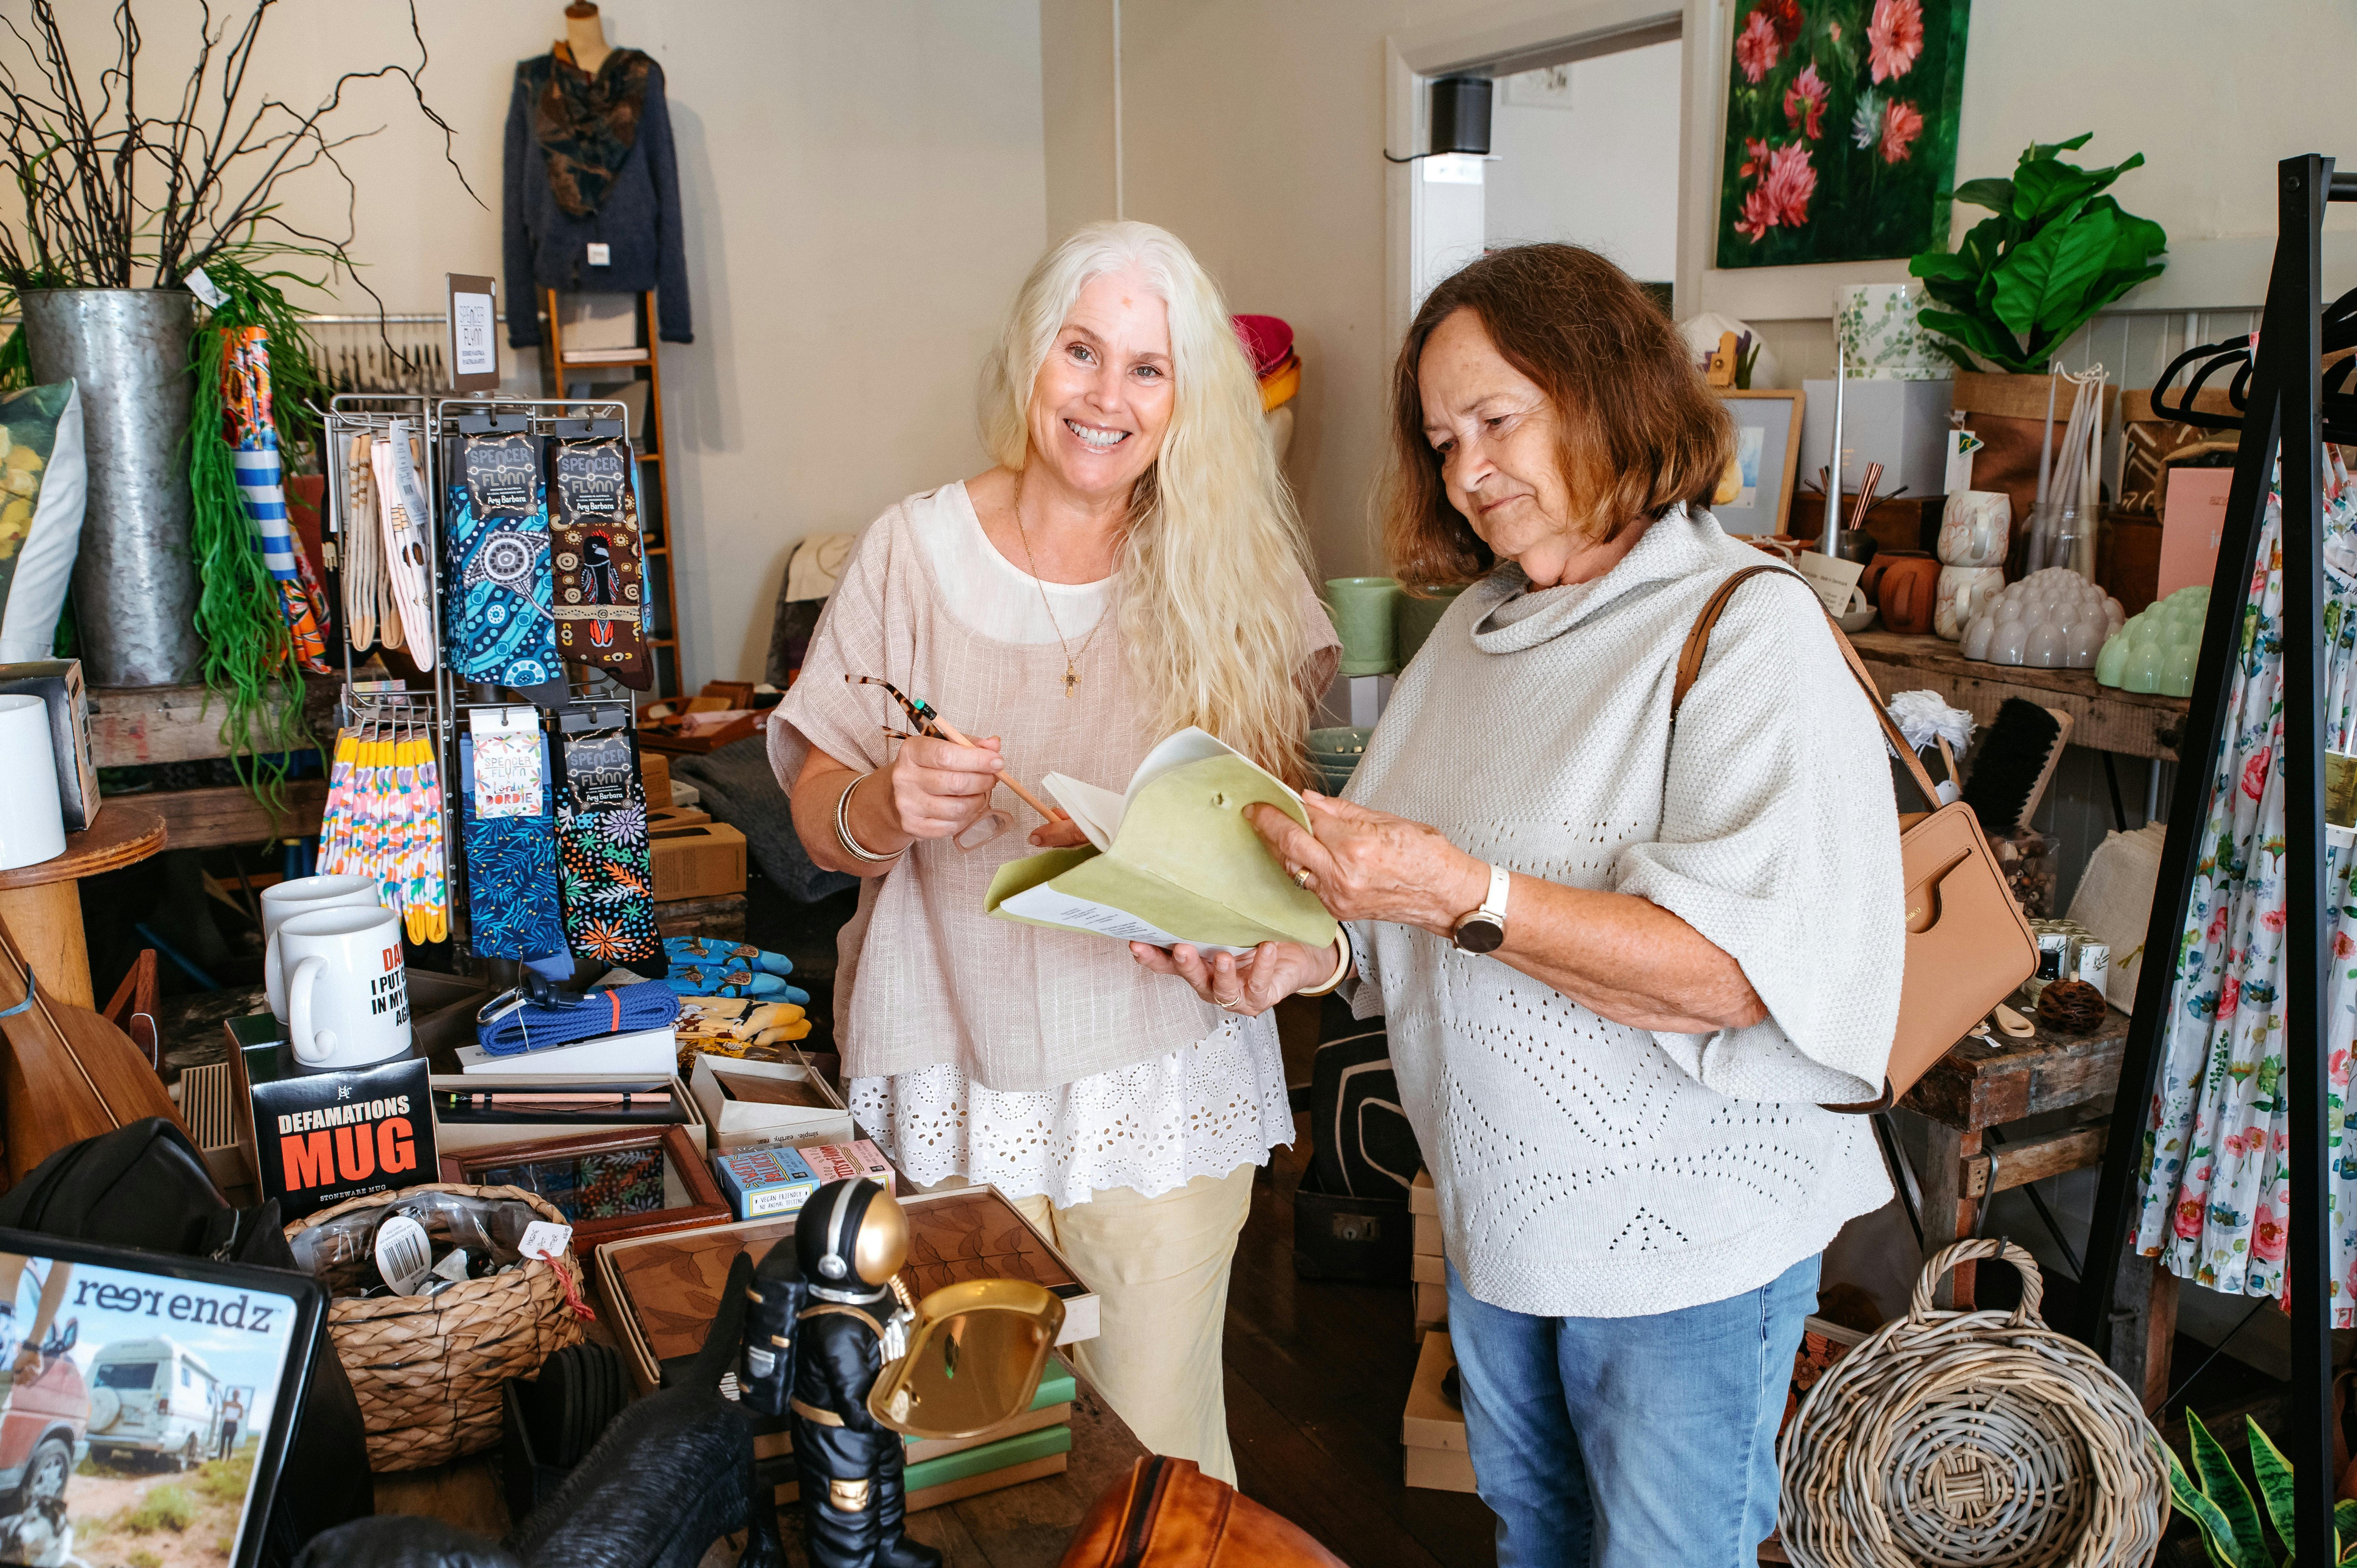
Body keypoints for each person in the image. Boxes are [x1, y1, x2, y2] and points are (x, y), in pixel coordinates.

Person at [1134, 243, 1904, 1566]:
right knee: (1534, 1538)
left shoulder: (1745, 626)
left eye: (1497, 420)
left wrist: (1466, 894)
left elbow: (1730, 974)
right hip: (1500, 1218)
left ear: (1608, 396)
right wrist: (1300, 956)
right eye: (1444, 441)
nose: (1467, 470)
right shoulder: (1473, 634)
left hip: (1686, 1246)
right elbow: (1389, 904)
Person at [772, 220, 1337, 1482]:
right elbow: (816, 815)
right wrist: (885, 803)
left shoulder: (1231, 565)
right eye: (1080, 352)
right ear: (1029, 354)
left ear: (1188, 398)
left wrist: (1198, 873)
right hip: (947, 1069)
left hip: (1161, 1079)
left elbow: (1284, 819)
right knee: (968, 1465)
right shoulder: (909, 551)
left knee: (1156, 1465)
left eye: (1147, 368)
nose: (1105, 396)